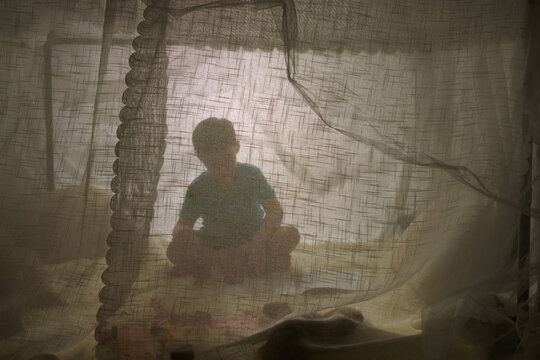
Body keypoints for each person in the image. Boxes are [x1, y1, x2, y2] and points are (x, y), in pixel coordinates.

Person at [167, 117, 300, 283]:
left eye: (227, 159)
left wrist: (258, 243)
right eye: (214, 164)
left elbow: (275, 211)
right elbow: (182, 225)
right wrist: (184, 236)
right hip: (215, 242)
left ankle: (221, 262)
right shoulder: (198, 187)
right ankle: (227, 261)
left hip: (253, 239)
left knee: (290, 234)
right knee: (174, 250)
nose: (223, 169)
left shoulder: (251, 175)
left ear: (236, 147)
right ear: (201, 158)